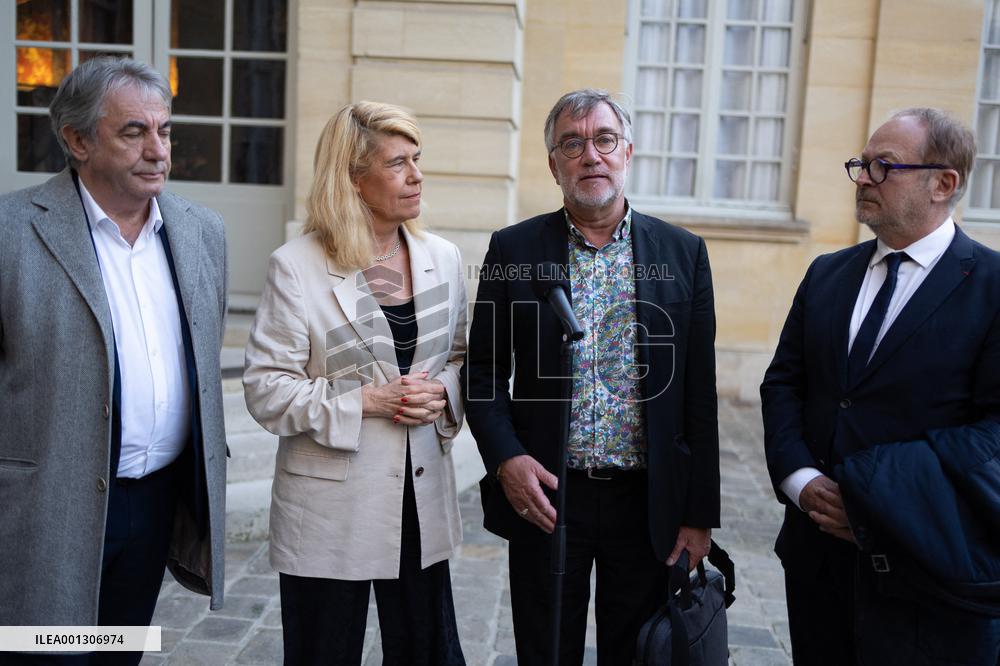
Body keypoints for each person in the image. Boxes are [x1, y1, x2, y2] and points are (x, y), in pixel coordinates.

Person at [462, 88, 720, 665]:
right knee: (545, 650)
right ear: (553, 163)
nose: (590, 155)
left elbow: (699, 394)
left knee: (636, 654)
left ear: (628, 151)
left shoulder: (684, 253)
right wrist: (507, 459)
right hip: (549, 498)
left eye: (604, 140)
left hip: (646, 502)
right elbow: (481, 373)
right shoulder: (514, 249)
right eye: (572, 144)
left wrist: (699, 514)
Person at [0, 57, 228, 664]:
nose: (158, 150)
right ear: (77, 140)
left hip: (154, 504)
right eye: (134, 132)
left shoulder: (203, 232)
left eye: (166, 130)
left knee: (115, 655)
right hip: (49, 503)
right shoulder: (11, 230)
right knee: (43, 656)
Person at [761, 107, 1000, 665]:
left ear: (944, 183)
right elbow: (784, 385)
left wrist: (872, 504)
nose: (864, 178)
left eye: (883, 166)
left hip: (928, 572)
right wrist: (800, 480)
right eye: (862, 164)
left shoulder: (991, 288)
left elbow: (993, 433)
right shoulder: (827, 273)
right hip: (817, 560)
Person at [243, 101, 468, 666]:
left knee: (428, 654)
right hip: (328, 506)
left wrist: (443, 392)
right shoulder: (296, 266)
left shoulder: (443, 257)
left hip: (420, 497)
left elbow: (464, 360)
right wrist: (367, 400)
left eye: (417, 159)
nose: (416, 175)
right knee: (324, 652)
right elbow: (267, 388)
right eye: (397, 164)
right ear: (352, 179)